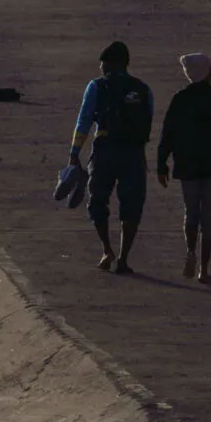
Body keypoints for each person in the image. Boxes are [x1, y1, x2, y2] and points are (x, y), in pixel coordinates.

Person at [66, 40, 154, 275]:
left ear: (110, 63)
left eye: (102, 62)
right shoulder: (144, 89)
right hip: (134, 154)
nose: (100, 67)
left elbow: (84, 121)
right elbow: (148, 121)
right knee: (132, 205)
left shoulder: (97, 86)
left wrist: (74, 153)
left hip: (105, 150)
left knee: (97, 201)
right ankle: (124, 258)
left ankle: (107, 250)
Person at [155, 52, 211, 283]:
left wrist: (161, 164)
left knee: (191, 212)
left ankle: (190, 251)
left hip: (187, 166)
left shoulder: (180, 99)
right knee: (209, 217)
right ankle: (204, 269)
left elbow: (167, 133)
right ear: (205, 72)